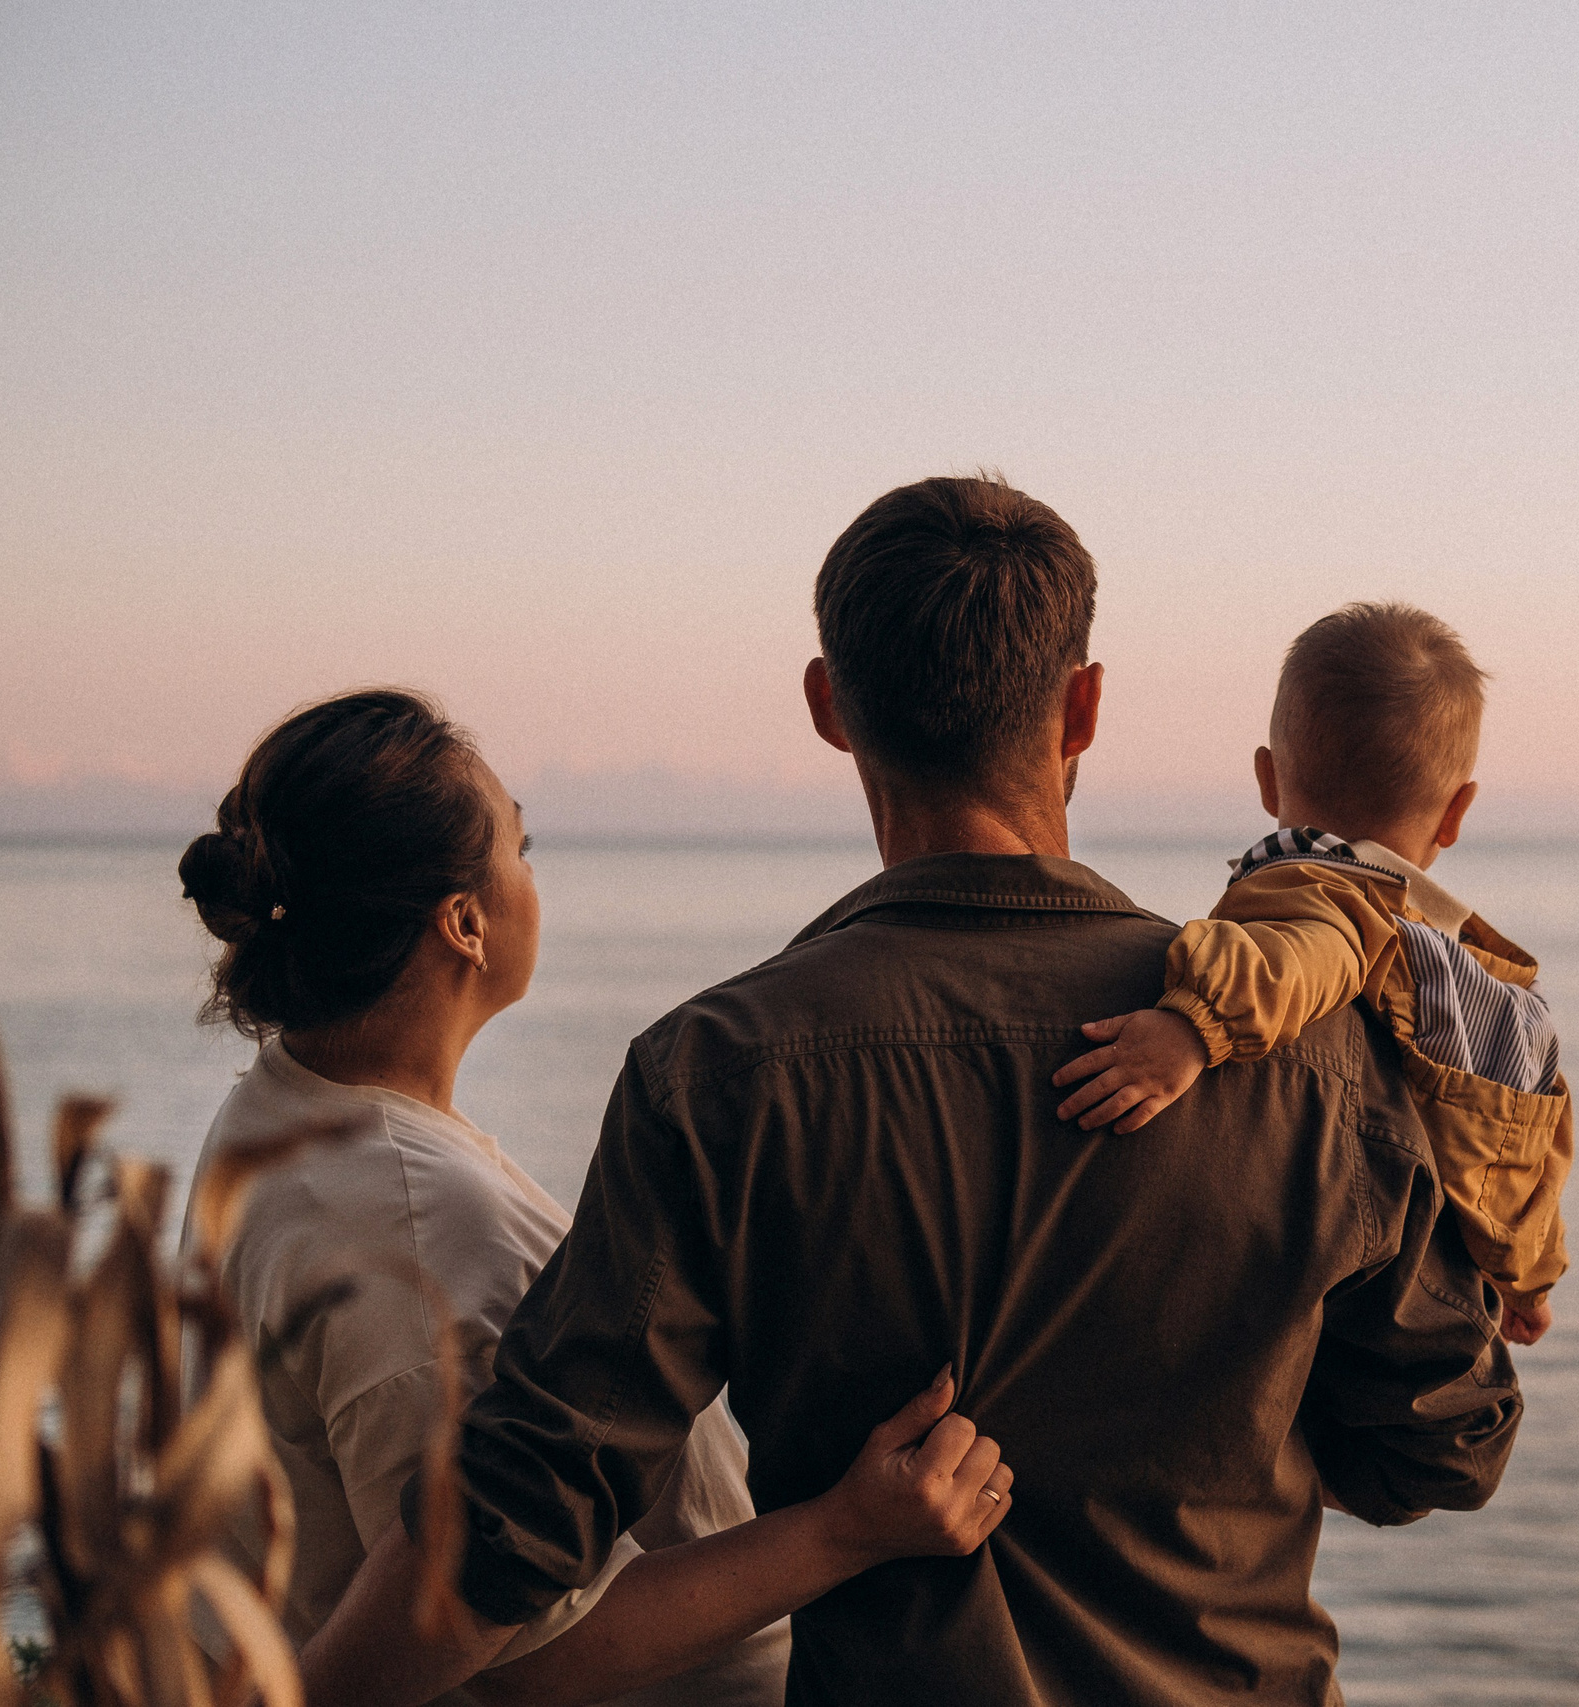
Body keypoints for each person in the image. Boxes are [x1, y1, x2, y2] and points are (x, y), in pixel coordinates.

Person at [301, 477, 1522, 1707]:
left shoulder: (718, 1072)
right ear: (1084, 708)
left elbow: (518, 1522)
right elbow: (1441, 1451)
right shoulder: (1319, 1059)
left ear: (830, 707)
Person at [179, 688, 1011, 1707]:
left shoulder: (278, 1114)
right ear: (465, 923)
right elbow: (519, 1648)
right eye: (520, 848)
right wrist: (847, 1530)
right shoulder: (417, 1222)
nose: (534, 877)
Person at [1048, 601, 1572, 1343]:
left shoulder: (1317, 885)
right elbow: (1526, 1160)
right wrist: (1530, 1278)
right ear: (1456, 813)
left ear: (1268, 779)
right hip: (1470, 1261)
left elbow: (1310, 953)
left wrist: (1192, 1028)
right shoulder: (1456, 966)